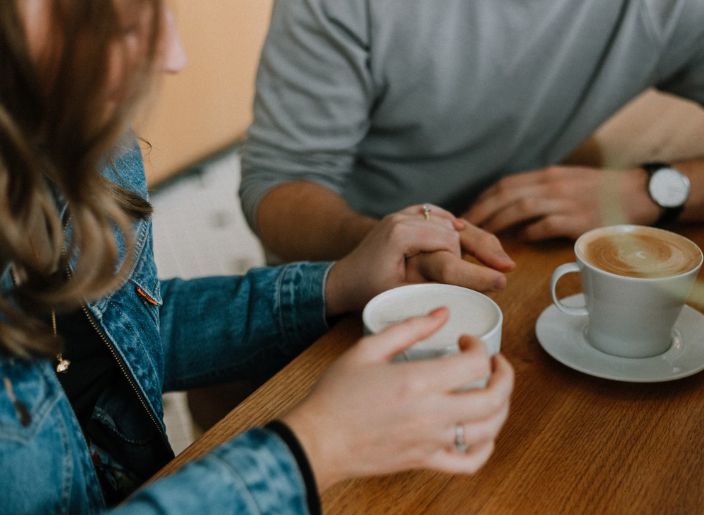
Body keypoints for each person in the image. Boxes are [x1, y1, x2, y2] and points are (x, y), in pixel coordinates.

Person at [0, 1, 514, 513]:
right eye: (124, 21)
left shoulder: (74, 140)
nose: (173, 56)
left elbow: (122, 335)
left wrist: (336, 283)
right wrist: (315, 448)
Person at [240, 0, 704, 268]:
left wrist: (657, 188)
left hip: (524, 251)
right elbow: (279, 187)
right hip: (344, 274)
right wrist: (377, 241)